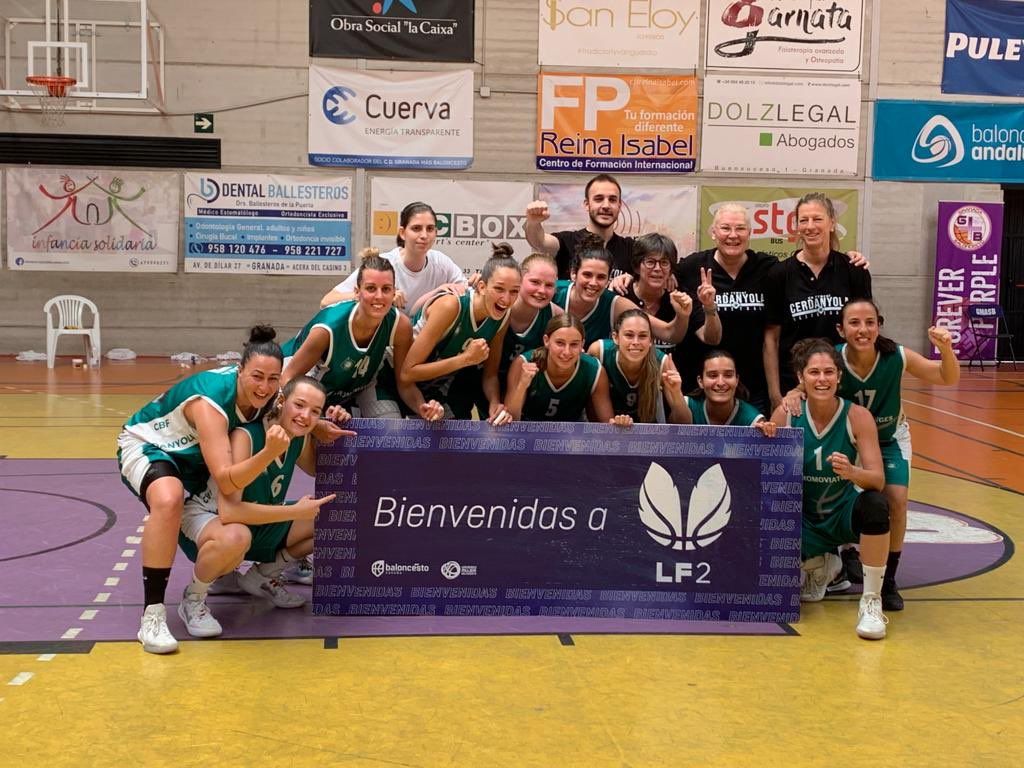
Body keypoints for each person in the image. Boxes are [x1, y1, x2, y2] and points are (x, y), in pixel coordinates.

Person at [784, 299, 961, 611]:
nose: (862, 329)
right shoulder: (831, 359)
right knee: (827, 487)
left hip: (888, 437)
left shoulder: (897, 356)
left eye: (870, 322)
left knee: (893, 499)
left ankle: (886, 581)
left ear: (879, 325)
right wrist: (794, 392)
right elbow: (809, 382)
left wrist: (945, 349)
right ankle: (842, 552)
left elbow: (947, 378)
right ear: (841, 329)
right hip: (849, 433)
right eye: (854, 323)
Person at [117, 326, 285, 653]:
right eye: (257, 377)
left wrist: (322, 424)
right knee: (168, 498)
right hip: (151, 447)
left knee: (235, 537)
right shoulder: (210, 403)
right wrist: (268, 453)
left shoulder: (271, 392)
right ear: (240, 372)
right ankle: (152, 616)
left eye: (272, 379)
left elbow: (298, 406)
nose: (264, 386)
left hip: (195, 465)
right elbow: (225, 479)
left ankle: (195, 597)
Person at [175, 377, 337, 637]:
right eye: (299, 405)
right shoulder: (247, 436)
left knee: (331, 516)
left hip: (254, 524)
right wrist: (295, 512)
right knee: (237, 536)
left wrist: (334, 428)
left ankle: (261, 578)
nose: (305, 416)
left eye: (315, 411)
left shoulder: (299, 438)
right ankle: (193, 599)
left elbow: (320, 470)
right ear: (282, 401)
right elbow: (231, 513)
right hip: (209, 522)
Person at [771, 338, 892, 641]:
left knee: (876, 505)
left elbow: (877, 480)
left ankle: (871, 600)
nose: (821, 379)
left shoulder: (857, 416)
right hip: (801, 519)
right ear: (801, 377)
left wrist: (852, 472)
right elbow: (763, 476)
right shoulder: (786, 414)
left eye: (828, 372)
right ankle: (821, 565)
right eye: (813, 372)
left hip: (840, 515)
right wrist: (764, 433)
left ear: (839, 376)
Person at [281, 247, 444, 422]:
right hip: (305, 381)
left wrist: (423, 408)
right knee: (302, 424)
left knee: (391, 430)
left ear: (394, 292)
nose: (379, 296)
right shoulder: (328, 328)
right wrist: (316, 419)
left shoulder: (400, 325)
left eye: (386, 289)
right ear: (357, 292)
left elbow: (404, 383)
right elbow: (288, 379)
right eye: (371, 288)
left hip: (358, 386)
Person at [764, 193, 872, 412]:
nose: (810, 226)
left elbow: (865, 331)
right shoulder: (779, 274)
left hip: (842, 383)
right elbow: (771, 339)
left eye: (817, 219)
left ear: (832, 223)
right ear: (796, 226)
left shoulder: (854, 270)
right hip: (792, 385)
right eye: (803, 220)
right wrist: (775, 393)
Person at [675, 203, 781, 413]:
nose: (733, 235)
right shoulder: (691, 267)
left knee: (752, 445)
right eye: (725, 228)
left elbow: (803, 262)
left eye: (740, 228)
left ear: (750, 233)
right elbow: (657, 273)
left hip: (754, 387)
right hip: (703, 387)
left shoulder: (768, 268)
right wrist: (626, 277)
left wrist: (850, 259)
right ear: (713, 233)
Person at [401, 243, 521, 422]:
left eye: (514, 292)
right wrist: (465, 359)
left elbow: (490, 374)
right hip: (396, 378)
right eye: (499, 289)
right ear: (481, 286)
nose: (506, 299)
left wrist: (495, 402)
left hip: (433, 386)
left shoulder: (502, 317)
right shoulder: (451, 306)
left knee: (451, 441)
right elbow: (407, 372)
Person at [320, 202, 466, 314]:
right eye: (416, 228)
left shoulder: (441, 262)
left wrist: (472, 284)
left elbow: (467, 291)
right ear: (402, 233)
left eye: (430, 229)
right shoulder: (383, 265)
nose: (424, 235)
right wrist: (382, 295)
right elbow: (326, 301)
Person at [554, 233, 692, 348]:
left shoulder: (615, 304)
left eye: (601, 277)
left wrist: (683, 315)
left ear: (609, 279)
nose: (593, 283)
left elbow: (669, 333)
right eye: (587, 275)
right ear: (573, 273)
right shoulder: (553, 292)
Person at [505, 314, 629, 425]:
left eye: (574, 344)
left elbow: (607, 425)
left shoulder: (594, 370)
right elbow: (511, 421)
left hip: (572, 439)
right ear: (546, 341)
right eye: (560, 343)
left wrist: (619, 424)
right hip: (527, 434)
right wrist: (522, 386)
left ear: (582, 344)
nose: (566, 352)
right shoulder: (524, 363)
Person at [625, 233, 721, 357]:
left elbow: (712, 339)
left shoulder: (681, 297)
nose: (657, 268)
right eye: (650, 262)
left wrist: (709, 306)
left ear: (671, 269)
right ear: (637, 267)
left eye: (664, 263)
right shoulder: (622, 293)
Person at [588, 309, 690, 424]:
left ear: (651, 340)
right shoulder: (599, 352)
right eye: (629, 335)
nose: (636, 342)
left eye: (642, 336)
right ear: (616, 337)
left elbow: (685, 424)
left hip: (648, 433)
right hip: (604, 431)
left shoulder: (663, 363)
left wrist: (677, 393)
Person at [525, 173, 634, 279]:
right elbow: (540, 242)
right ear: (587, 205)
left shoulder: (631, 249)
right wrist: (533, 223)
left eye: (612, 200)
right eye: (599, 199)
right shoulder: (567, 241)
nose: (606, 205)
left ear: (619, 206)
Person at [500, 252, 564, 386]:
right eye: (535, 282)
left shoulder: (556, 316)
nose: (542, 290)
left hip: (527, 389)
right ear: (519, 279)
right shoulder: (498, 305)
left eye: (549, 285)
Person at [685, 350, 777, 435]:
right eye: (713, 376)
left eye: (728, 375)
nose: (721, 383)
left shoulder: (753, 420)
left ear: (736, 380)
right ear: (700, 381)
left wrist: (765, 433)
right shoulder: (686, 406)